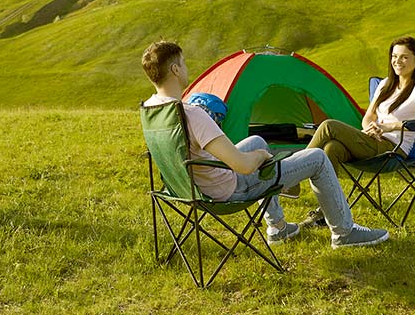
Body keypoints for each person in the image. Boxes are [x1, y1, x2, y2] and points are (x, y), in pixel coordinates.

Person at [141, 40, 389, 248]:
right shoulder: (192, 114)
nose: (186, 68)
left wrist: (258, 149)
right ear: (174, 70)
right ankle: (344, 232)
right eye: (183, 64)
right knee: (318, 158)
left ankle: (278, 227)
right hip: (227, 190)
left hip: (189, 188)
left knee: (257, 139)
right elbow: (243, 166)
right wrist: (261, 156)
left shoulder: (152, 109)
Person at [300, 35, 415, 228]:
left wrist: (391, 126)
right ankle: (328, 211)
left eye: (404, 57)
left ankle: (292, 174)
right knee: (331, 149)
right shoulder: (385, 85)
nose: (397, 61)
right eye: (394, 56)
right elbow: (368, 116)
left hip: (393, 149)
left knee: (328, 126)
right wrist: (370, 129)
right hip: (372, 140)